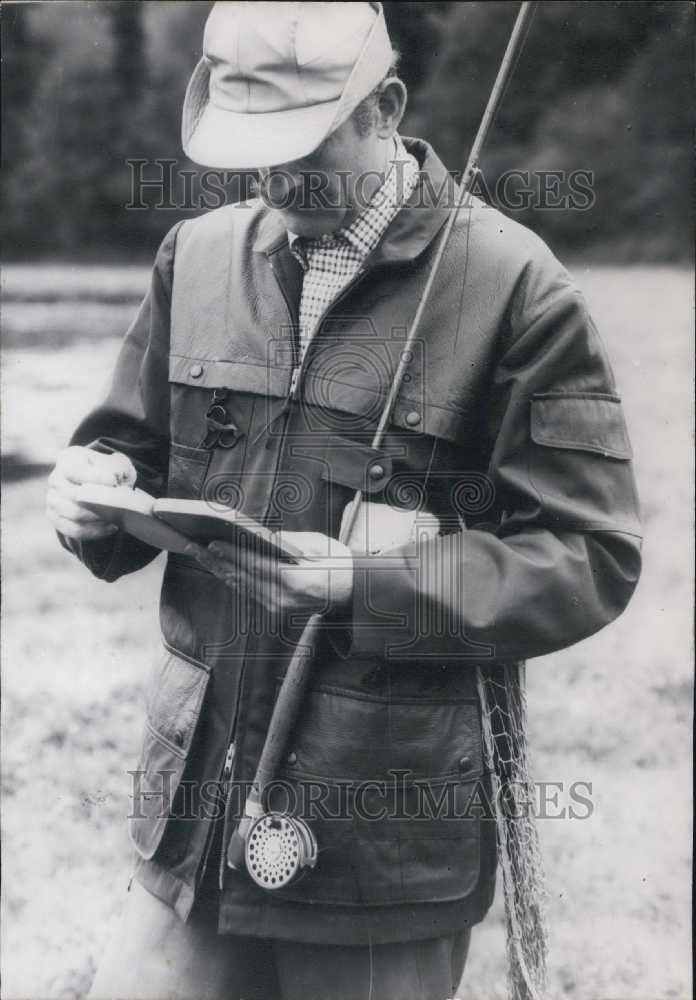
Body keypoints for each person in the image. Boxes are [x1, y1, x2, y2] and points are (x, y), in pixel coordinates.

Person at [45, 3, 642, 998]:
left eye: (300, 148)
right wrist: (91, 495)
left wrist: (371, 584)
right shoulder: (194, 258)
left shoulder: (519, 290)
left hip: (384, 833)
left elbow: (589, 555)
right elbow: (125, 449)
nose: (275, 181)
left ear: (387, 108)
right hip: (197, 809)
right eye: (250, 154)